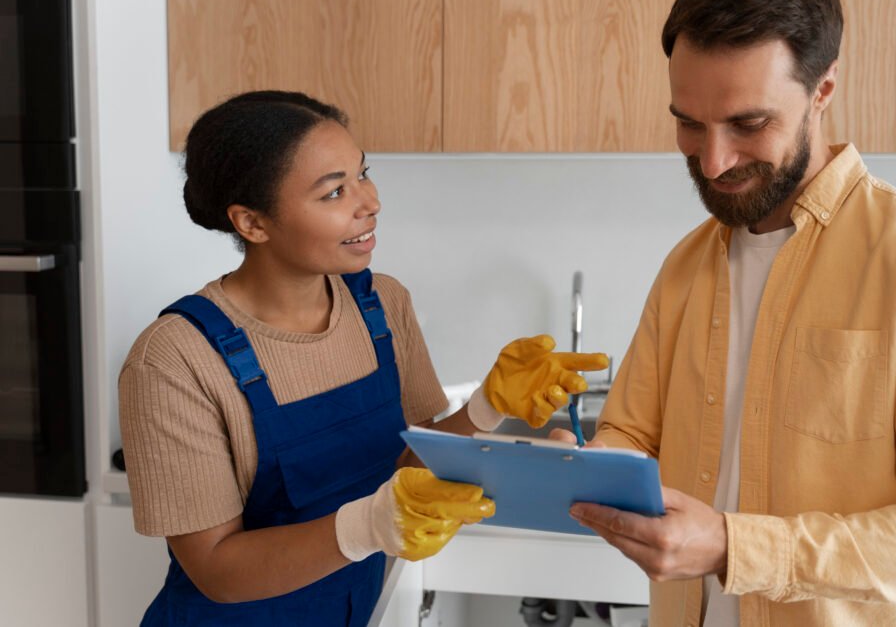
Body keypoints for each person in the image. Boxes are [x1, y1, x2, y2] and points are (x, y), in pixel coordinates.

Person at [566, 0, 896, 627]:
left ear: (823, 90)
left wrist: (736, 545)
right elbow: (631, 429)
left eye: (748, 124)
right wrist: (572, 468)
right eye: (689, 122)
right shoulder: (686, 266)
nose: (712, 160)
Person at [119, 90, 608, 626]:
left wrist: (487, 409)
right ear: (252, 223)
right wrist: (368, 528)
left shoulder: (382, 305)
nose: (369, 201)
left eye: (362, 173)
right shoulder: (174, 359)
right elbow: (216, 569)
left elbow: (409, 469)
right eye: (333, 192)